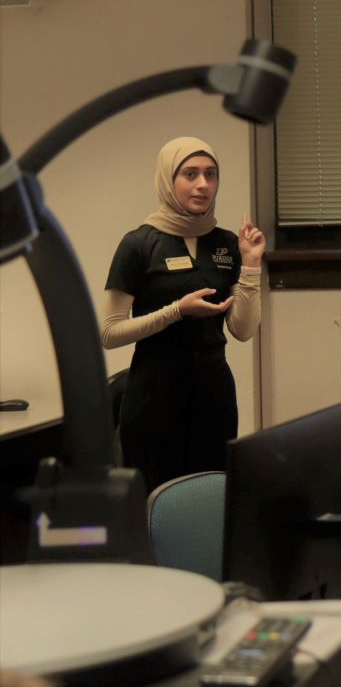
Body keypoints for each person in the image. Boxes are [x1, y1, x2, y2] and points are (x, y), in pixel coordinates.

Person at [102, 137, 263, 490]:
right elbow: (110, 332)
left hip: (213, 392)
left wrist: (250, 264)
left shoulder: (226, 244)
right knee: (155, 503)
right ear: (168, 179)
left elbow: (244, 329)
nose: (203, 184)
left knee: (208, 501)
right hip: (154, 392)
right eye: (190, 174)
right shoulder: (139, 244)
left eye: (211, 174)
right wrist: (175, 311)